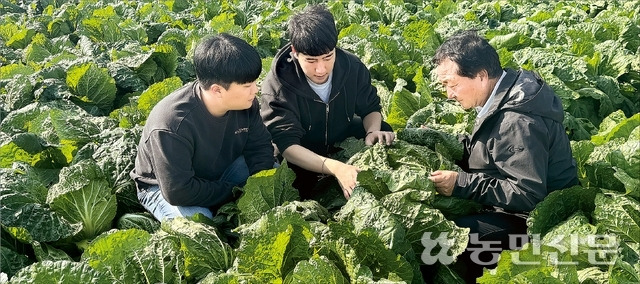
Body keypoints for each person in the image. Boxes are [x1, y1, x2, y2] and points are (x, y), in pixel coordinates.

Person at [426, 30, 579, 283]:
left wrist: (461, 184)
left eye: (451, 84)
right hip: (518, 207)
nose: (448, 94)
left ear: (482, 76)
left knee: (447, 241)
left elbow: (528, 194)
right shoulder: (506, 90)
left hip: (539, 220)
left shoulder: (515, 120)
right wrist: (439, 140)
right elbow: (493, 150)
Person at [130, 33, 275, 222]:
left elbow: (260, 147)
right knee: (199, 223)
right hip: (166, 188)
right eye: (248, 85)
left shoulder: (245, 104)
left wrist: (258, 189)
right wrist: (237, 192)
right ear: (217, 90)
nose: (255, 90)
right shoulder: (172, 123)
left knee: (274, 176)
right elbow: (178, 191)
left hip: (221, 171)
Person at [259, 4, 395, 200]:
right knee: (299, 190)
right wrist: (336, 167)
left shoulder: (352, 67)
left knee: (383, 128)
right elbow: (287, 146)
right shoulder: (278, 86)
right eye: (311, 61)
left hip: (340, 136)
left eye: (328, 57)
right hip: (302, 151)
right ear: (295, 52)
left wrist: (372, 131)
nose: (321, 69)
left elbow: (370, 108)